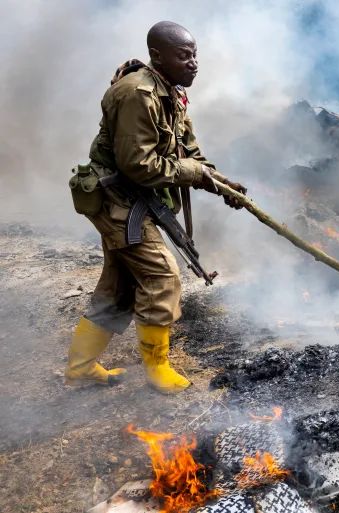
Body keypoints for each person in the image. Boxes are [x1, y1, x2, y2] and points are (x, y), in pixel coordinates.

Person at [64, 21, 247, 393]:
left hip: (138, 199)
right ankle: (157, 369)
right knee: (163, 276)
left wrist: (221, 183)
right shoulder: (137, 94)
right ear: (158, 57)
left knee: (119, 285)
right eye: (184, 56)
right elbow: (139, 165)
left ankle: (80, 368)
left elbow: (188, 153)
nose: (194, 63)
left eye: (195, 54)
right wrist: (196, 174)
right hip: (117, 199)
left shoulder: (171, 92)